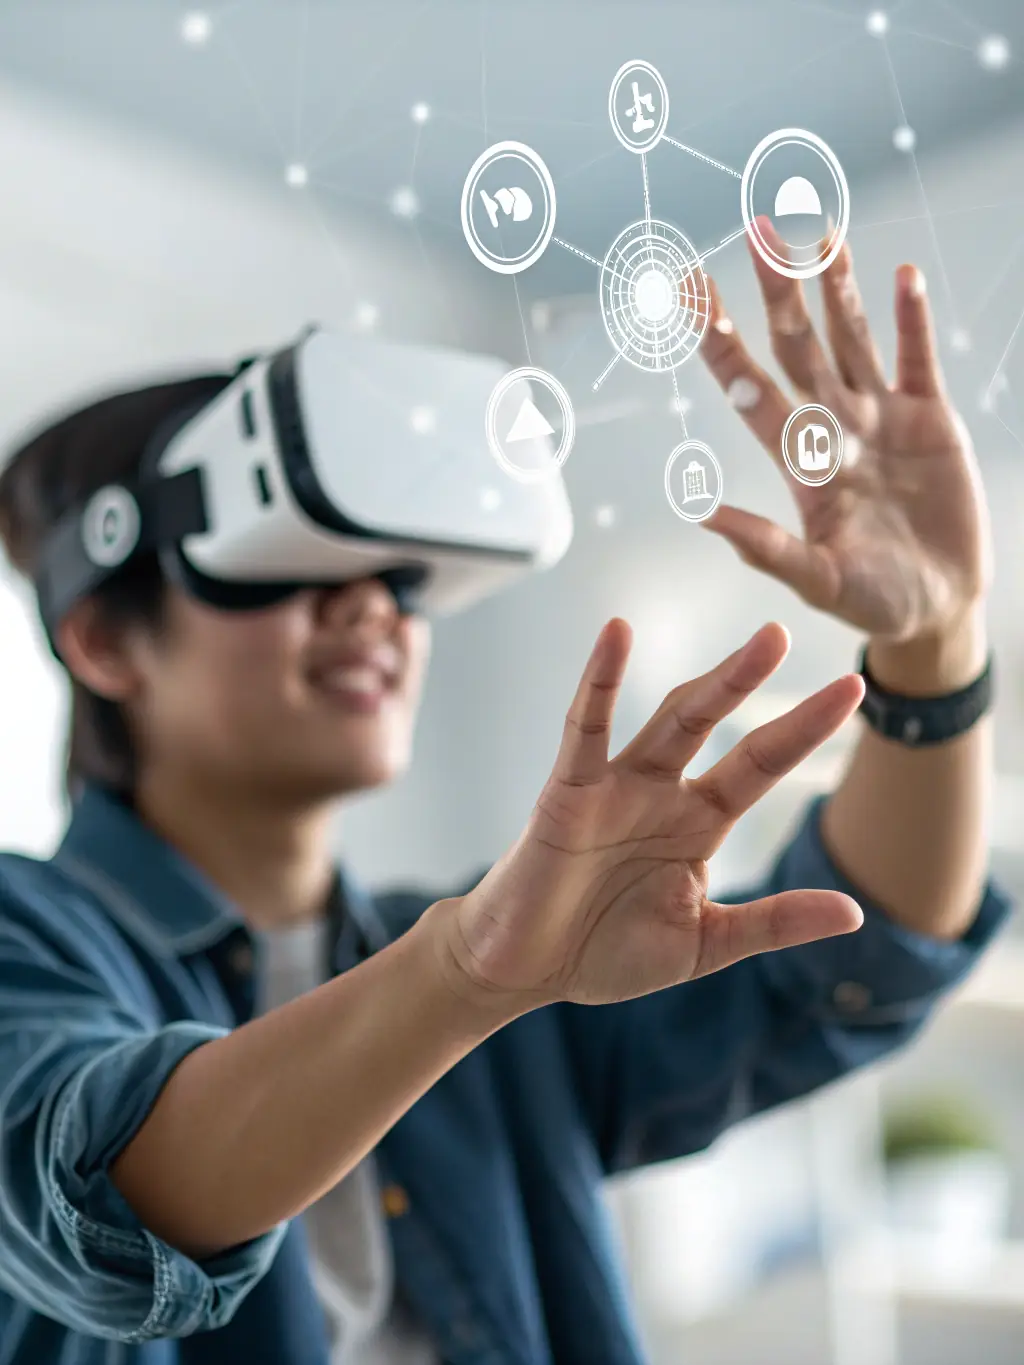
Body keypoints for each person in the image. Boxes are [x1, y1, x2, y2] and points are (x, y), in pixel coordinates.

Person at [0, 221, 1009, 1365]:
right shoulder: (27, 937)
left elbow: (856, 963)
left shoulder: (516, 959)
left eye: (397, 574)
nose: (372, 609)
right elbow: (100, 1203)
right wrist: (464, 979)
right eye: (287, 562)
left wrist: (936, 647)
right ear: (104, 642)